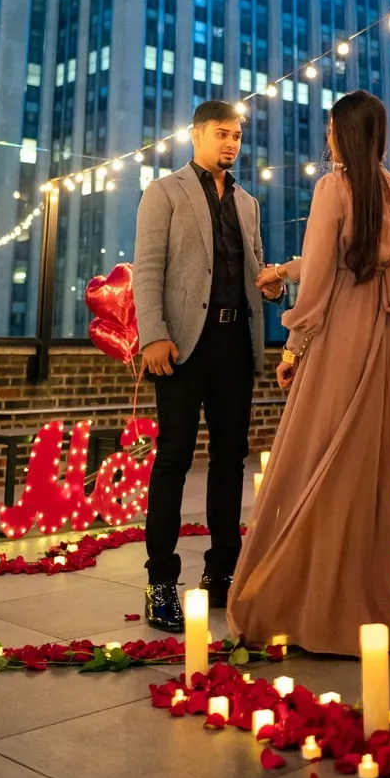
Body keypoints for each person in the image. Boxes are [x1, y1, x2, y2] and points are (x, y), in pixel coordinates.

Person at [227, 90, 390, 656]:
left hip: (339, 334)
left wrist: (293, 347)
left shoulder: (335, 187)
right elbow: (351, 255)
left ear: (345, 133)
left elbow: (324, 281)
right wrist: (286, 267)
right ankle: (357, 598)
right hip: (380, 333)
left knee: (311, 456)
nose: (326, 137)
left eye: (332, 128)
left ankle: (300, 597)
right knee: (359, 461)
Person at [132, 100, 284, 632]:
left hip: (235, 343)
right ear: (196, 134)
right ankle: (160, 584)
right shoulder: (164, 191)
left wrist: (271, 284)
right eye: (222, 134)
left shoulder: (248, 202)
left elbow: (251, 268)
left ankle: (221, 576)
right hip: (179, 346)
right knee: (172, 458)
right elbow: (147, 270)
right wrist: (152, 334)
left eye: (238, 137)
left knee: (230, 460)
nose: (231, 144)